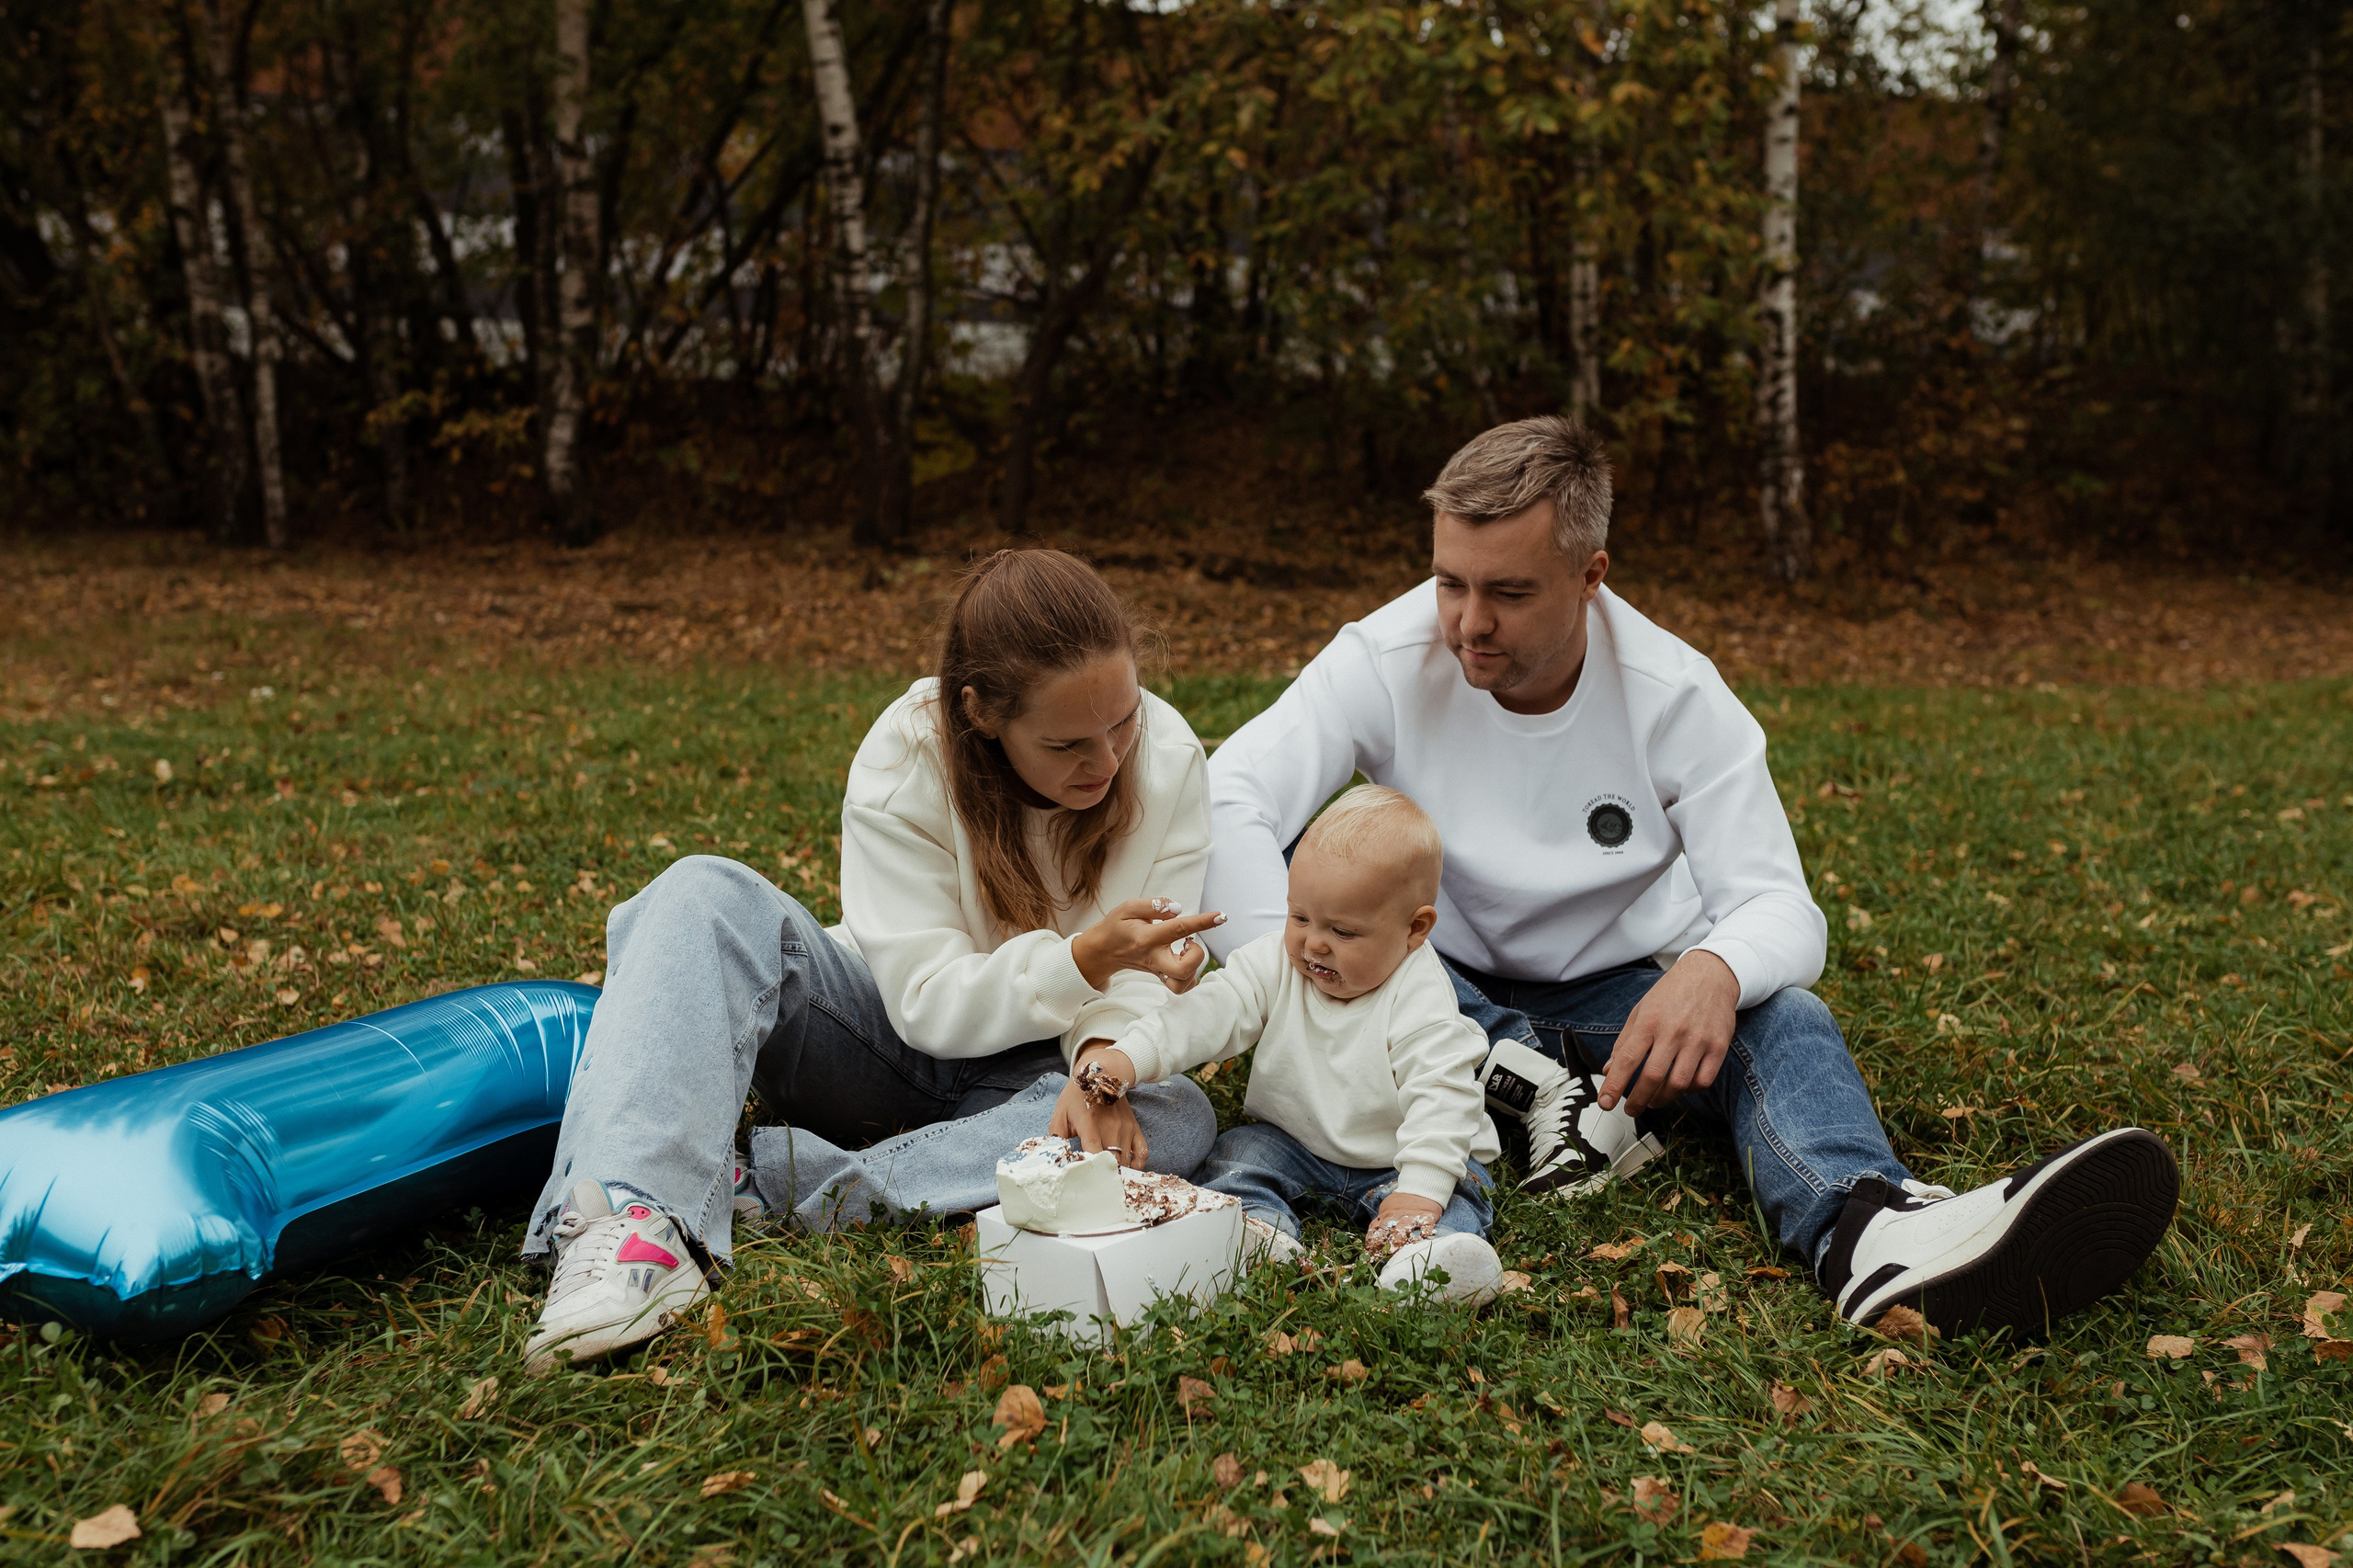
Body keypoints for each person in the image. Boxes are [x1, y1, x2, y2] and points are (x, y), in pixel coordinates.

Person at [1199, 415, 2179, 1339]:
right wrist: (1272, 973)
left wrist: (1711, 965)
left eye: (1507, 592)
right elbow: (1232, 789)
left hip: (1608, 1001)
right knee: (1304, 874)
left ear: (1590, 575)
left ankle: (1869, 1235)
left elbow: (1779, 905)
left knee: (1782, 1012)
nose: (1466, 621)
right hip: (1414, 978)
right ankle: (1538, 1091)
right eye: (1449, 582)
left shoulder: (1673, 691)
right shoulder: (1381, 654)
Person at [525, 550, 1229, 1369]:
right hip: (881, 1046)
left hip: (1041, 1083)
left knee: (1175, 1112)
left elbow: (1141, 984)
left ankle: (772, 1187)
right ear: (981, 714)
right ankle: (632, 1226)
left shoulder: (1170, 758)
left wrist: (1105, 1064)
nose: (1106, 763)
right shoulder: (908, 754)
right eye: (1068, 741)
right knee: (698, 891)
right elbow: (925, 1002)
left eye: (1123, 721)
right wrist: (1080, 959)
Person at [1080, 785, 1506, 1303]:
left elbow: (1441, 1099)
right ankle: (1260, 1232)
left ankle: (1430, 1258)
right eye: (1299, 917)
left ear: (1415, 929)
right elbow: (1211, 1009)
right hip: (1299, 1144)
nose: (1313, 943)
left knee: (1456, 1186)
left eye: (1343, 931)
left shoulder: (1422, 1001)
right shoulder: (1278, 963)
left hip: (1402, 1154)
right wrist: (1129, 1054)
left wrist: (1418, 1191)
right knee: (1241, 1152)